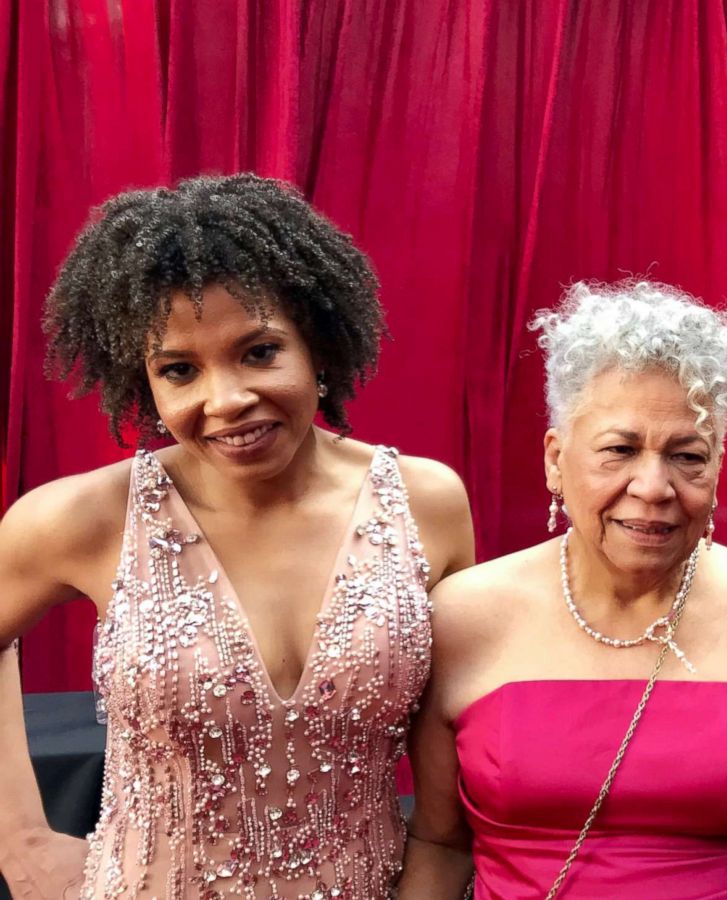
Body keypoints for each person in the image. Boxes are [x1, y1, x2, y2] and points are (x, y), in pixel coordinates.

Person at [0, 173, 477, 900]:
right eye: (180, 370)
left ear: (317, 344)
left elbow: (453, 742)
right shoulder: (83, 519)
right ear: (144, 383)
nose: (225, 400)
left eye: (258, 352)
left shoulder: (425, 503)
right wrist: (20, 842)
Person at [396, 280, 727, 900]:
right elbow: (439, 845)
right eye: (620, 449)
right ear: (556, 459)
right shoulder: (462, 615)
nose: (655, 486)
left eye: (688, 456)